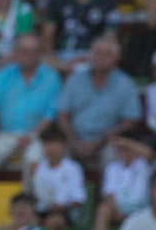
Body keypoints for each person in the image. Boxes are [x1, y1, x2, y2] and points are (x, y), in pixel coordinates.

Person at [0, 33, 61, 183]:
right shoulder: (2, 75)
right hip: (5, 135)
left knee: (35, 160)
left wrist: (32, 135)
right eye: (24, 50)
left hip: (36, 136)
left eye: (33, 51)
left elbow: (50, 115)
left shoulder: (51, 78)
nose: (28, 55)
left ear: (40, 54)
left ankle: (27, 204)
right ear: (16, 52)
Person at [55, 35, 141, 167]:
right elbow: (62, 114)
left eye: (106, 54)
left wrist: (101, 141)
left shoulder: (125, 84)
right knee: (55, 153)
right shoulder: (75, 79)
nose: (100, 58)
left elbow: (129, 122)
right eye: (97, 53)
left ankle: (108, 188)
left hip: (108, 141)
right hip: (75, 139)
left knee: (112, 156)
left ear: (116, 59)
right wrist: (73, 141)